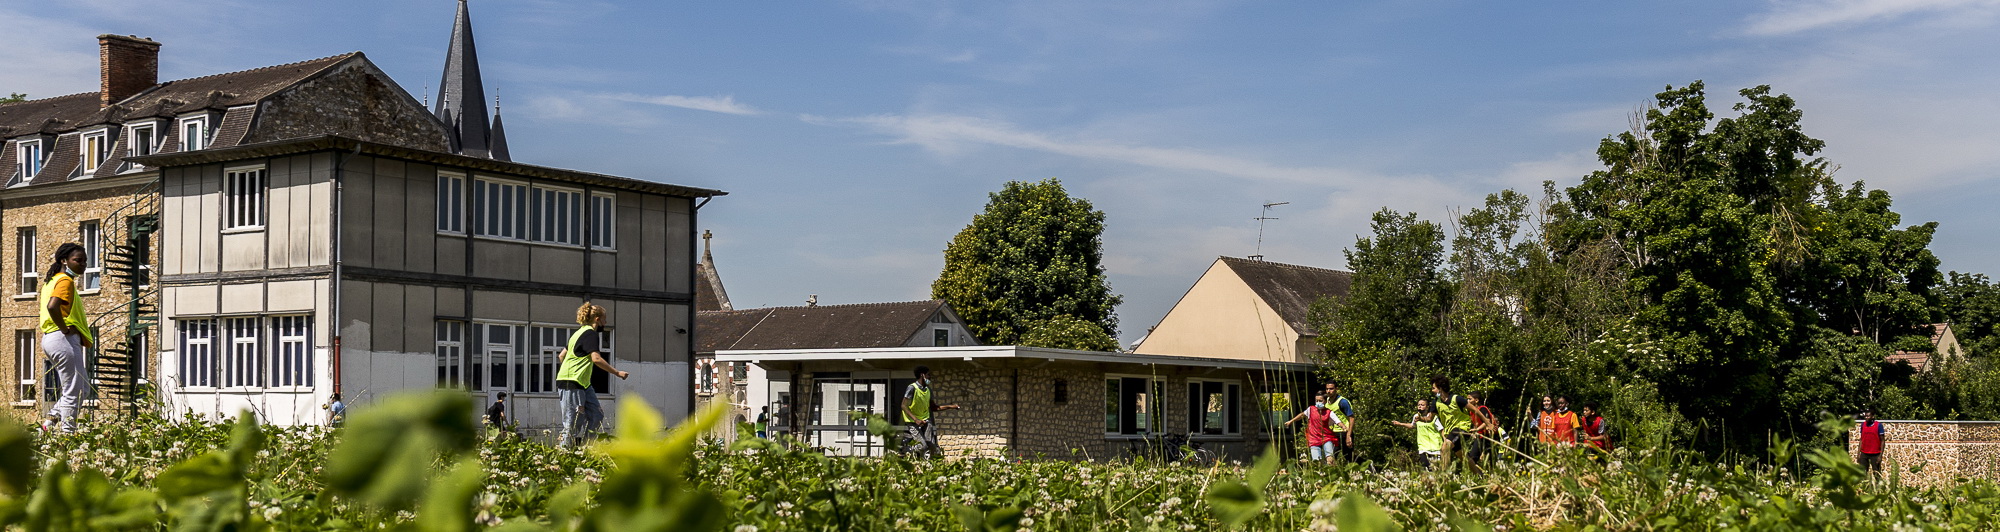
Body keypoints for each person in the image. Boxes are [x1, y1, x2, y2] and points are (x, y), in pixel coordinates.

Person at [557, 303, 631, 448]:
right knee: (572, 423)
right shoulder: (590, 333)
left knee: (597, 416)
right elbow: (596, 358)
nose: (606, 322)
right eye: (604, 319)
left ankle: (584, 449)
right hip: (572, 382)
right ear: (597, 319)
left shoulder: (577, 333)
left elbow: (562, 356)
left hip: (583, 383)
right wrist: (617, 373)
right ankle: (562, 456)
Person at [38, 243, 93, 434]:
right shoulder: (65, 281)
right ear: (64, 261)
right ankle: (68, 435)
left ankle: (48, 424)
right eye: (78, 260)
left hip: (52, 338)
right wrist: (64, 328)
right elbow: (53, 307)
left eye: (85, 261)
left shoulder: (52, 281)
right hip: (62, 338)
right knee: (73, 390)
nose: (83, 265)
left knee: (83, 389)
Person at [900, 365, 961, 458]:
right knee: (922, 446)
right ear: (922, 375)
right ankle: (905, 450)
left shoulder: (928, 390)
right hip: (912, 421)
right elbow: (903, 406)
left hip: (925, 419)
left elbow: (934, 408)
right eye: (928, 375)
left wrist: (951, 406)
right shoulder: (912, 388)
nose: (930, 377)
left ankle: (928, 464)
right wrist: (916, 419)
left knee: (932, 447)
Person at [1283, 393, 1346, 465]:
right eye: (1317, 401)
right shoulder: (1311, 409)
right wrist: (1291, 421)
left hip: (1326, 437)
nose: (1318, 403)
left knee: (1330, 459)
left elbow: (1338, 421)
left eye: (1320, 401)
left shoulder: (1329, 412)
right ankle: (1320, 474)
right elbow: (1302, 415)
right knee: (1316, 462)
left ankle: (1331, 473)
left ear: (1325, 401)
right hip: (1314, 438)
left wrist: (1343, 427)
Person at [1430, 375, 1473, 471]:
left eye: (1433, 388)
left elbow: (1475, 410)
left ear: (1440, 388)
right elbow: (1429, 418)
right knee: (1463, 456)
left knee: (1445, 447)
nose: (1432, 390)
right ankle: (1479, 474)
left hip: (1462, 427)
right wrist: (1420, 418)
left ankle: (1443, 476)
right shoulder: (1436, 402)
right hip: (1450, 431)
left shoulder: (1456, 398)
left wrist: (1487, 422)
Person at [1390, 399, 1442, 469]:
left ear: (1427, 407)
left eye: (1422, 405)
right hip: (1423, 447)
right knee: (1425, 469)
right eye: (1418, 405)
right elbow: (1412, 425)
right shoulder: (1416, 416)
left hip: (1435, 448)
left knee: (1436, 470)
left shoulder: (1434, 417)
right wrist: (1400, 424)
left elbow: (1441, 429)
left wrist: (1445, 442)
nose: (1420, 406)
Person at [1322, 381, 1358, 461]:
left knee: (1349, 457)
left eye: (1331, 389)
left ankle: (1367, 465)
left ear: (1336, 389)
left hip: (1343, 432)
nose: (1328, 391)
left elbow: (1351, 418)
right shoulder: (1326, 401)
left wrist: (1349, 435)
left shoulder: (1342, 402)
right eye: (1327, 389)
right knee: (1330, 456)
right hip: (1332, 433)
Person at [1465, 392, 1499, 471]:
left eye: (1470, 399)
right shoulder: (1471, 411)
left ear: (1476, 400)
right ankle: (1477, 474)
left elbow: (1487, 421)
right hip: (1480, 436)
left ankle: (1493, 475)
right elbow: (1476, 423)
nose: (1467, 401)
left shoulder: (1482, 409)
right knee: (1473, 457)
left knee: (1491, 459)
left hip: (1489, 436)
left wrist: (1477, 429)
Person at [1856, 409, 1886, 476]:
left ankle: (1878, 486)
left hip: (1875, 454)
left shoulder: (1878, 425)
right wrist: (1858, 454)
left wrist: (1880, 456)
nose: (1866, 417)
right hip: (1864, 453)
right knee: (1862, 473)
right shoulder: (1863, 425)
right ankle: (1863, 486)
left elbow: (1883, 440)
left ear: (1872, 416)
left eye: (1868, 416)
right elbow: (1861, 440)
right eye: (1865, 416)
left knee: (1876, 474)